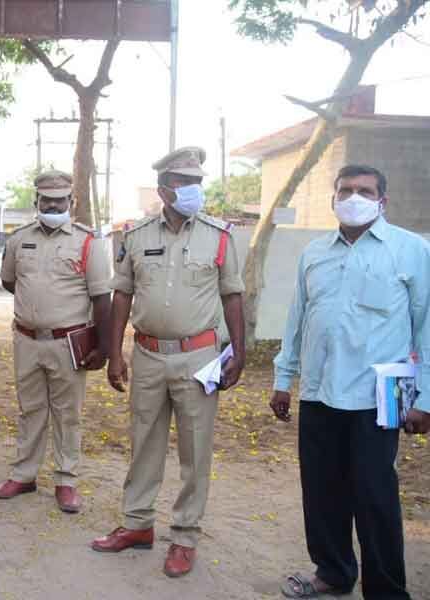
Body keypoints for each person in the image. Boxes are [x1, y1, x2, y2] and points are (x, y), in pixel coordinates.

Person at [270, 165, 430, 600]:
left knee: (376, 497)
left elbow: (426, 327)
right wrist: (284, 378)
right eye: (345, 190)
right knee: (322, 491)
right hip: (319, 389)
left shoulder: (411, 250)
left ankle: (387, 591)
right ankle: (334, 572)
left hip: (385, 393)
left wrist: (425, 398)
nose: (354, 197)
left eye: (365, 191)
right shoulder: (315, 253)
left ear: (383, 201)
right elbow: (297, 320)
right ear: (333, 198)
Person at [91, 147, 246, 579]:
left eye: (197, 181)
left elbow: (233, 295)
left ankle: (185, 536)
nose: (194, 189)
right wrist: (115, 353)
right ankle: (137, 523)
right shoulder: (136, 235)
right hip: (147, 355)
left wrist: (239, 352)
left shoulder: (219, 236)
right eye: (183, 182)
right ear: (163, 190)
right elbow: (122, 294)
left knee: (195, 450)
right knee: (144, 442)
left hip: (199, 357)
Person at [0, 169, 113, 514]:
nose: (53, 206)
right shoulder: (19, 239)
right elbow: (11, 281)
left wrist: (103, 347)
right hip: (27, 340)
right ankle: (24, 475)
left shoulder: (88, 242)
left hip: (67, 343)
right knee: (30, 410)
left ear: (71, 201)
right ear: (36, 201)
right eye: (47, 200)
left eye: (60, 200)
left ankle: (66, 480)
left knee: (67, 414)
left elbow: (102, 298)